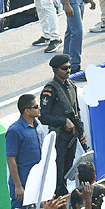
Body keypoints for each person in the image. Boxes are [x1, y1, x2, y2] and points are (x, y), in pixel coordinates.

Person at [40, 54, 87, 193]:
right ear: (55, 70)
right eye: (64, 68)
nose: (68, 70)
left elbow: (76, 112)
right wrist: (63, 121)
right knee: (58, 173)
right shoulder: (50, 90)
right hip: (59, 137)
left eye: (69, 67)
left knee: (67, 170)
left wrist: (81, 132)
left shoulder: (71, 85)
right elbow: (43, 116)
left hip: (71, 137)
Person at [5, 93, 43, 209]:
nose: (39, 108)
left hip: (36, 182)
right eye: (36, 107)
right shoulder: (15, 131)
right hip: (23, 184)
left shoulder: (37, 126)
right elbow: (11, 159)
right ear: (27, 111)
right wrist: (18, 186)